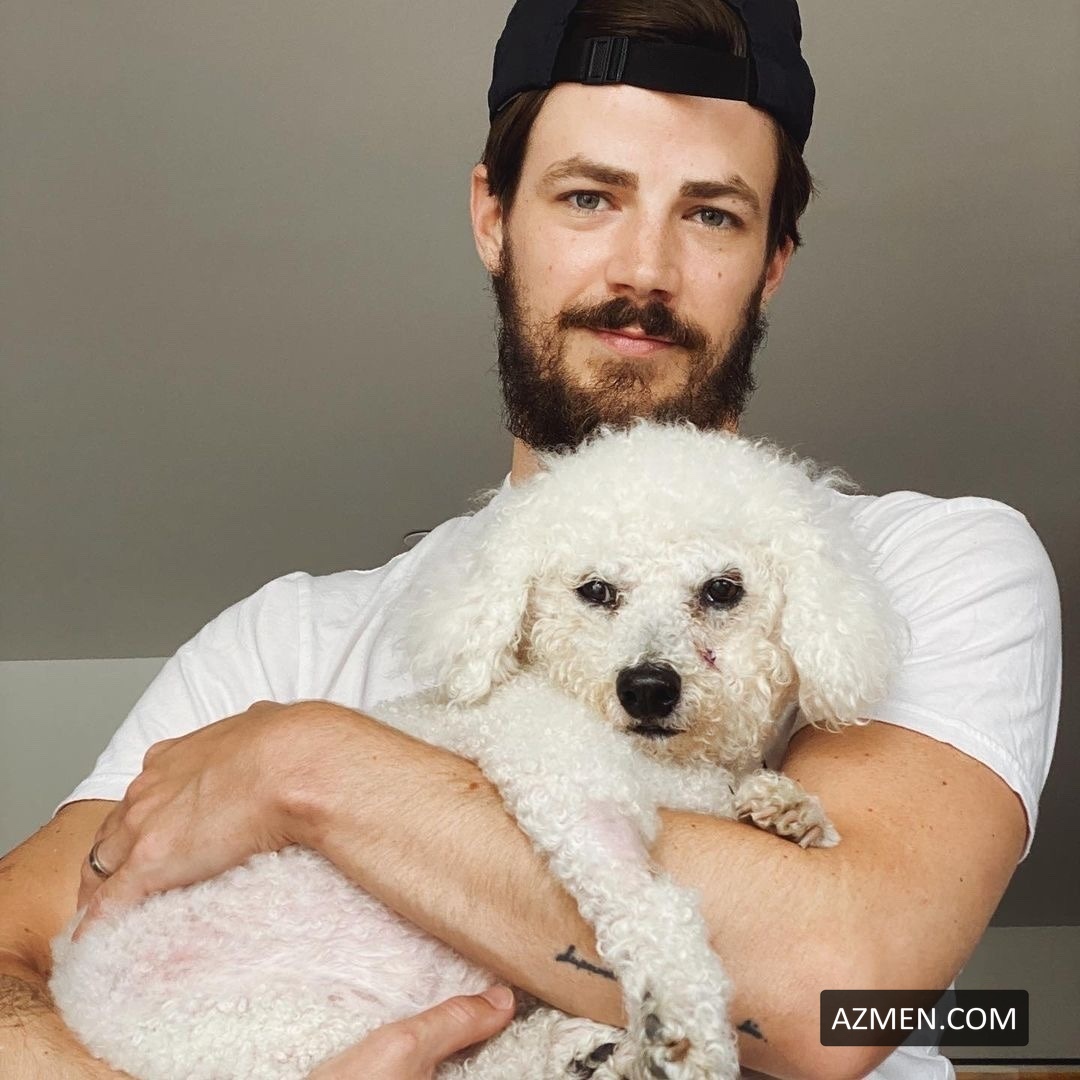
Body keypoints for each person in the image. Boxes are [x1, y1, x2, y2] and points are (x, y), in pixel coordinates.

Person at [0, 1, 1061, 1078]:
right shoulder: (277, 644)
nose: (643, 270)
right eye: (589, 197)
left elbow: (835, 1001)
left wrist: (304, 768)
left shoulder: (935, 565)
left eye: (711, 214)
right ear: (493, 216)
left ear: (773, 260)